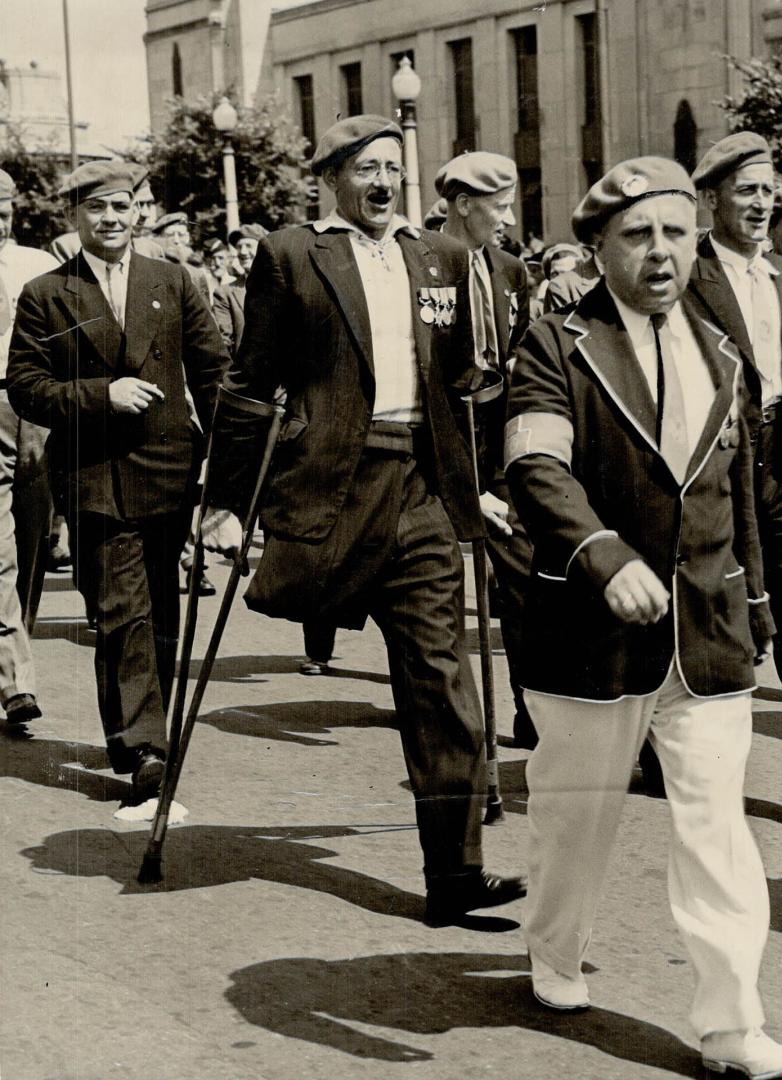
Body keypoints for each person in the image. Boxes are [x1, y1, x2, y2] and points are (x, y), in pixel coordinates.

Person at [505, 155, 782, 1080]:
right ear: (597, 248)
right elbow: (535, 464)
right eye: (635, 235)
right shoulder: (554, 345)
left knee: (717, 826)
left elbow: (737, 490)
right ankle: (553, 947)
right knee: (574, 818)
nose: (659, 252)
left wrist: (754, 597)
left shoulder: (722, 350)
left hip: (707, 629)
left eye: (675, 232)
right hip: (589, 631)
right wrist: (602, 555)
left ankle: (731, 1027)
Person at [200, 115, 524, 925]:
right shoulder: (292, 254)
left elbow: (461, 389)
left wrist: (471, 485)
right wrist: (227, 503)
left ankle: (454, 873)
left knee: (442, 678)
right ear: (334, 178)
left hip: (417, 486)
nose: (383, 182)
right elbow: (248, 386)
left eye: (392, 168)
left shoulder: (440, 257)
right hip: (332, 486)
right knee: (312, 609)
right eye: (365, 169)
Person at [7, 162, 227, 802]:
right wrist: (104, 394)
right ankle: (144, 749)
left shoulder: (172, 280)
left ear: (139, 212)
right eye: (96, 207)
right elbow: (26, 387)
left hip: (170, 469)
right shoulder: (48, 292)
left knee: (159, 606)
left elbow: (213, 371)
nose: (110, 218)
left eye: (122, 206)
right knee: (120, 610)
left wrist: (223, 461)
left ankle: (140, 730)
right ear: (73, 217)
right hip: (96, 477)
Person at [688, 132, 782, 828]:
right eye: (744, 191)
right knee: (715, 618)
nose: (758, 204)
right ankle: (677, 761)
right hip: (716, 469)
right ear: (712, 197)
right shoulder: (685, 274)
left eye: (764, 191)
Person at [436, 151, 535, 748]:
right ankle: (451, 716)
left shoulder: (510, 270)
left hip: (498, 444)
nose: (506, 218)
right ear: (464, 204)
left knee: (523, 579)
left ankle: (529, 708)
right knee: (440, 588)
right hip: (440, 443)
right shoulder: (417, 260)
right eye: (497, 207)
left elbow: (521, 345)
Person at [0, 168, 57, 725]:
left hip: (34, 411)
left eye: (5, 206)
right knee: (0, 549)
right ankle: (16, 679)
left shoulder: (37, 266)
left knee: (33, 536)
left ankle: (18, 648)